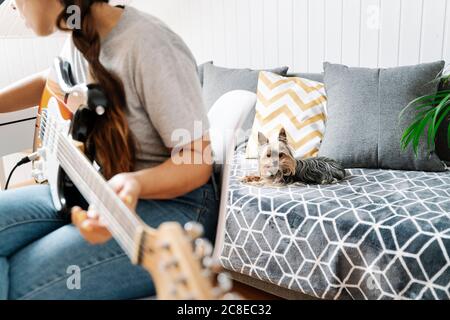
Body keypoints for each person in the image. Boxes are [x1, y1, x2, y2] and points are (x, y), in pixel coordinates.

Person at [0, 0, 218, 300]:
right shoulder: (79, 36)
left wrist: (136, 182)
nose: (11, 6)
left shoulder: (150, 44)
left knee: (21, 282)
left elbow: (197, 160)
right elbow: (48, 82)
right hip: (100, 187)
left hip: (180, 206)